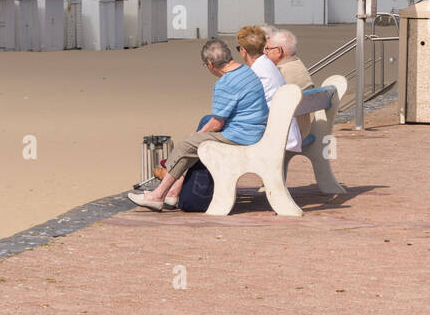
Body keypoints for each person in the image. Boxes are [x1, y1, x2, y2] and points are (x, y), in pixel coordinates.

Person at [127, 39, 266, 211]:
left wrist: (197, 135)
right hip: (255, 130)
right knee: (198, 134)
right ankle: (172, 193)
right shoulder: (246, 71)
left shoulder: (225, 83)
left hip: (242, 136)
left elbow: (217, 123)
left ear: (210, 64)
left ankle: (158, 195)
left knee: (187, 145)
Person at [237, 25, 302, 152]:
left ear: (243, 51)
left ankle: (196, 173)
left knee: (209, 134)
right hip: (287, 131)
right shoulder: (268, 66)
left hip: (275, 135)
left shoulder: (256, 72)